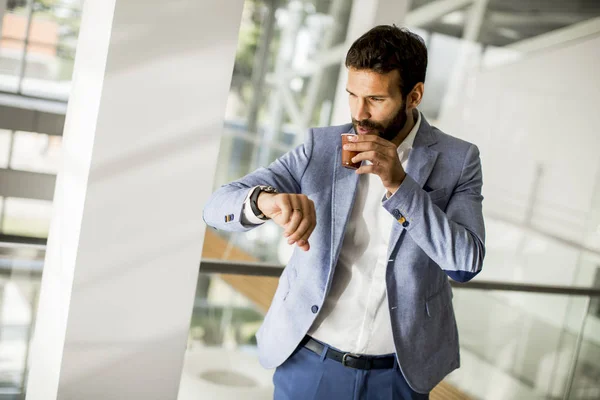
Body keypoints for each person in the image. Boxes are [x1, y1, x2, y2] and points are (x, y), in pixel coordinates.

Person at [203, 25, 485, 400]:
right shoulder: (320, 148)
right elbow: (216, 206)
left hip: (399, 376)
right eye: (352, 95)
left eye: (375, 99)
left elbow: (466, 263)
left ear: (413, 95)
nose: (359, 113)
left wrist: (401, 186)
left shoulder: (459, 160)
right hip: (309, 363)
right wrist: (265, 202)